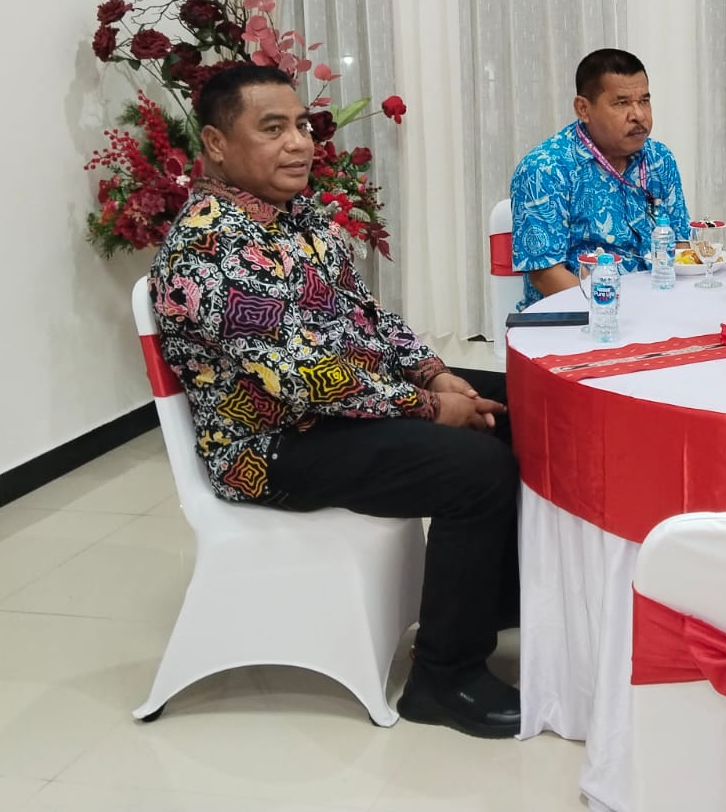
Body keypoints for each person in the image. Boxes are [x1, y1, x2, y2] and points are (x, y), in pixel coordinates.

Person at [148, 64, 520, 738]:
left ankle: (486, 608)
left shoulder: (299, 216)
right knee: (476, 467)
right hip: (270, 446)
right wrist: (429, 408)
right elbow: (301, 377)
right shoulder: (209, 245)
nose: (299, 143)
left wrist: (434, 374)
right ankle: (443, 678)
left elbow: (367, 318)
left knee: (520, 404)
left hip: (332, 413)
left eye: (301, 125)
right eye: (272, 129)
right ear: (216, 144)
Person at [510, 48, 692, 309]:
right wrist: (615, 312)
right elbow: (546, 274)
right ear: (583, 109)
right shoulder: (545, 169)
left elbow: (680, 245)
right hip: (577, 315)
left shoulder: (659, 159)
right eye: (622, 103)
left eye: (644, 101)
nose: (639, 115)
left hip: (656, 307)